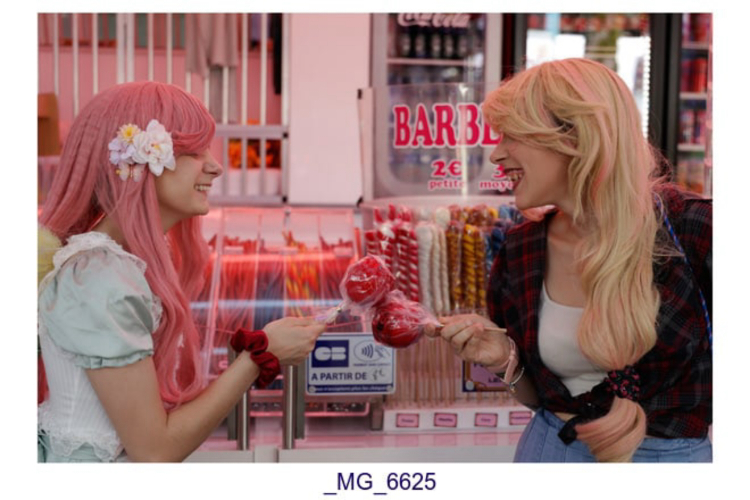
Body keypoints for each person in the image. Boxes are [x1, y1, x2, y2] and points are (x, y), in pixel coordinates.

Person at [425, 58, 712, 462]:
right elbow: (540, 396)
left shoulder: (696, 232)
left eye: (512, 136)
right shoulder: (521, 249)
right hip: (549, 449)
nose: (495, 155)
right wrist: (505, 360)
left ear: (577, 137)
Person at [37, 81, 326, 462]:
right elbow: (155, 451)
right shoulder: (99, 277)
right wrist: (258, 357)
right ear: (137, 163)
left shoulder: (112, 266)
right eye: (192, 151)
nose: (215, 167)